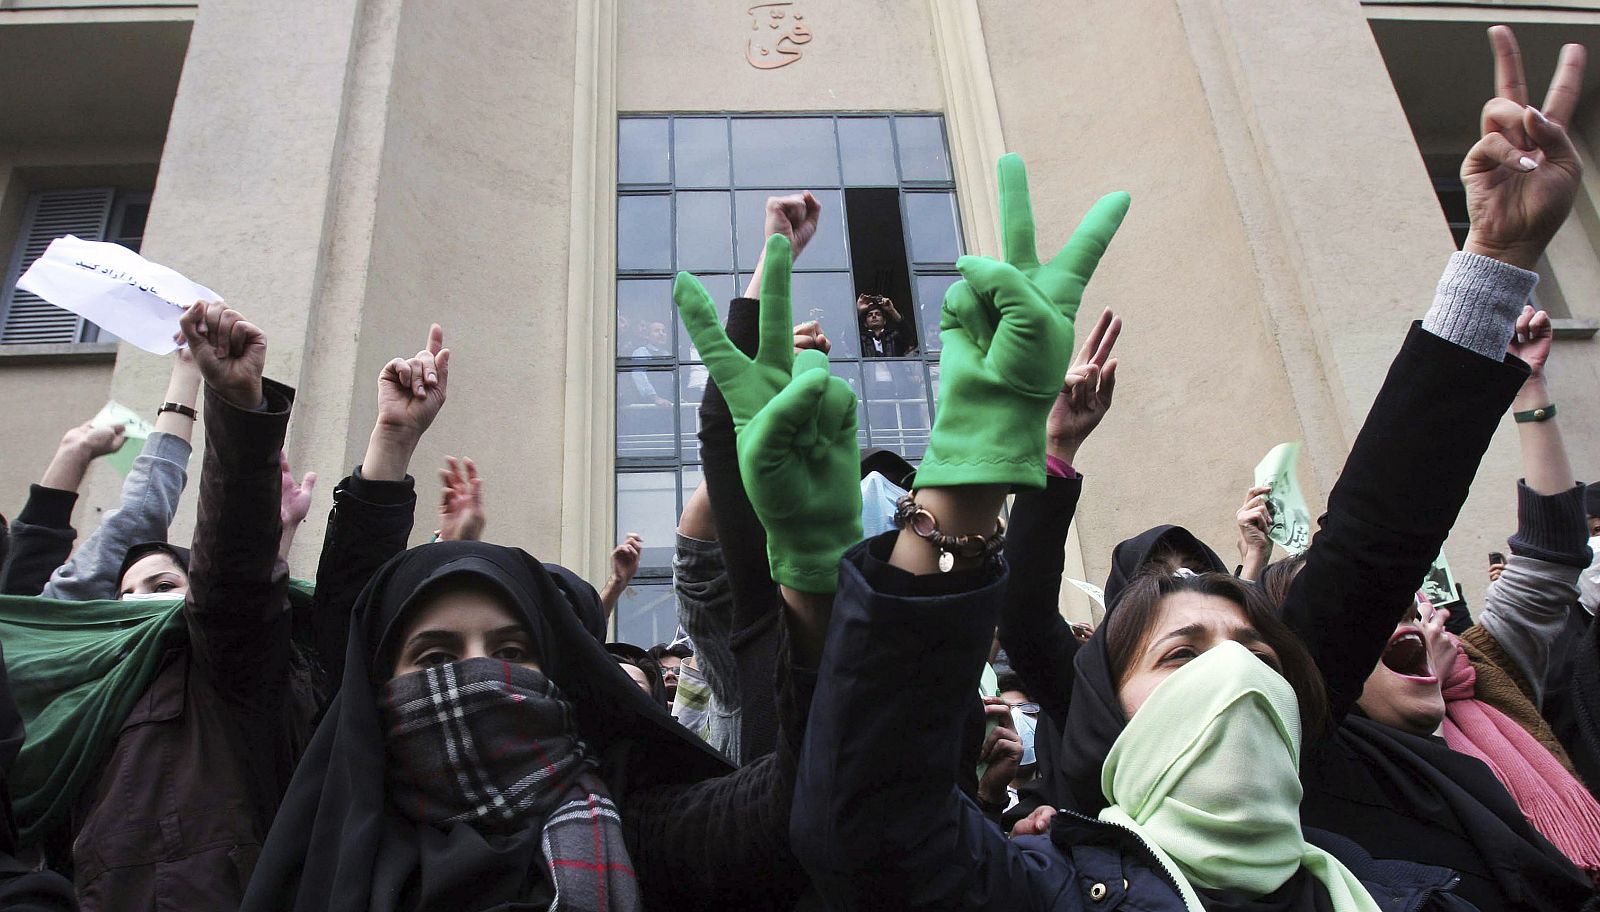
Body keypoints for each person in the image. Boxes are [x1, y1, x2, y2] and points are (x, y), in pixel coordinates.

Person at [14, 299, 305, 910]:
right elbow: (32, 604)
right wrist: (74, 453)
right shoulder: (62, 654)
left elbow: (239, 594)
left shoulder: (209, 675)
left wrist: (193, 380)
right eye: (125, 595)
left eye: (165, 588)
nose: (141, 604)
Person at [1, 348, 200, 598]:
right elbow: (137, 520)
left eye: (162, 586)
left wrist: (74, 452)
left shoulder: (25, 623)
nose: (134, 598)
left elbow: (25, 574)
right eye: (124, 592)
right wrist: (188, 369)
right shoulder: (41, 623)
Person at [857, 293, 918, 358]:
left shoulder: (894, 336)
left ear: (884, 321)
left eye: (878, 314)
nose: (874, 316)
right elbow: (848, 338)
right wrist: (859, 311)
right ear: (865, 324)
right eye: (870, 315)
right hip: (868, 368)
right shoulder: (862, 339)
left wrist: (892, 310)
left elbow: (911, 339)